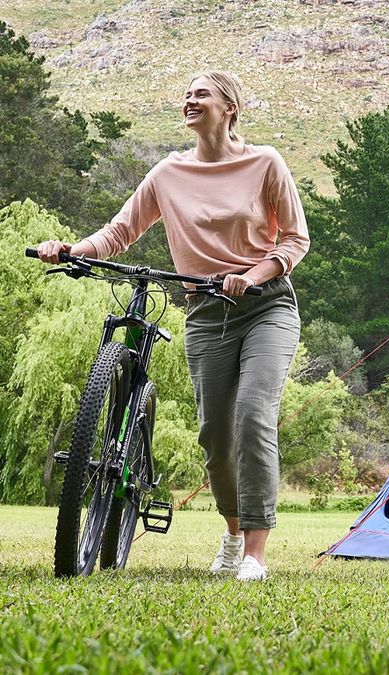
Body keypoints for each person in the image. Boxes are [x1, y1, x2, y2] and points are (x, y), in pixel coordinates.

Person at [36, 71, 309, 582]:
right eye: (186, 94)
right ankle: (231, 533)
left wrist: (251, 276)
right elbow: (121, 231)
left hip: (265, 306)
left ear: (230, 107)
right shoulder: (167, 173)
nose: (190, 100)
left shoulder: (265, 162)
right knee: (215, 436)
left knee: (253, 414)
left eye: (201, 93)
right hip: (204, 313)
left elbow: (295, 240)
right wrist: (73, 248)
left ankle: (254, 554)